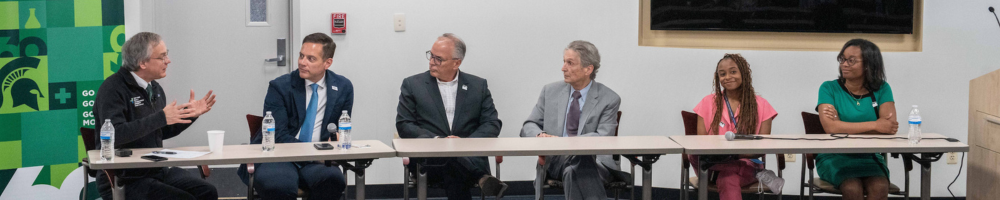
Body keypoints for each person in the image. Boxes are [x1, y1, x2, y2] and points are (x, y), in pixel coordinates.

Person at [93, 32, 218, 200]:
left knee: (207, 192)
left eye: (167, 54)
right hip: (124, 177)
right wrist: (161, 117)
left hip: (154, 168)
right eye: (162, 57)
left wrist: (190, 115)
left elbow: (159, 131)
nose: (168, 61)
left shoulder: (155, 89)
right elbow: (114, 134)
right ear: (142, 62)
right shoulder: (112, 89)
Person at [236, 32, 352, 200]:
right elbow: (279, 135)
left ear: (327, 63)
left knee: (332, 180)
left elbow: (341, 126)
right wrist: (314, 153)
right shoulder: (280, 87)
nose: (302, 62)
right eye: (301, 56)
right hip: (279, 156)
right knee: (278, 185)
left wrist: (336, 140)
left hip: (318, 160)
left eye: (311, 59)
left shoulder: (343, 87)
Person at [395, 33, 507, 199]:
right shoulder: (413, 85)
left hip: (469, 155)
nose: (432, 61)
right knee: (451, 162)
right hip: (429, 160)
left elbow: (492, 123)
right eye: (431, 55)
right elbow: (404, 124)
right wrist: (439, 142)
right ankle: (481, 177)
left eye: (438, 59)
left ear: (457, 63)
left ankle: (476, 172)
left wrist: (464, 144)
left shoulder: (478, 86)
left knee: (453, 168)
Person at [520, 40, 622, 200]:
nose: (563, 68)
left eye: (570, 63)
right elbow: (529, 125)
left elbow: (604, 137)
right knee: (575, 165)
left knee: (574, 170)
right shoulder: (550, 91)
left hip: (596, 164)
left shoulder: (609, 99)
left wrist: (564, 143)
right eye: (564, 62)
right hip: (555, 162)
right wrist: (540, 136)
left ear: (588, 69)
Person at [816, 38, 896, 200]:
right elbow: (831, 128)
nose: (844, 64)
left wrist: (842, 125)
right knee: (852, 188)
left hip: (868, 156)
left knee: (880, 187)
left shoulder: (882, 88)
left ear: (868, 64)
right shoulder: (829, 88)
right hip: (834, 155)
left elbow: (888, 129)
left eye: (851, 61)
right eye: (842, 59)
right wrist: (875, 125)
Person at [689, 53, 778, 200]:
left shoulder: (762, 105)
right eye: (722, 74)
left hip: (747, 165)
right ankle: (763, 175)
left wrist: (731, 156)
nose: (727, 77)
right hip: (711, 163)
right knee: (693, 155)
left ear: (744, 73)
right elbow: (701, 145)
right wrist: (730, 156)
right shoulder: (706, 103)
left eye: (733, 71)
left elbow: (762, 149)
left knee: (727, 177)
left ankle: (723, 170)